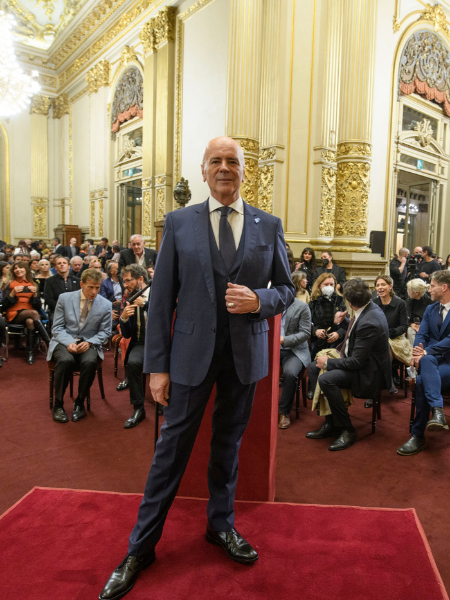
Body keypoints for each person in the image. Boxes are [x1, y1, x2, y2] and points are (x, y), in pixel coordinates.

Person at [100, 137, 294, 600]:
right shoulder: (178, 223)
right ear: (203, 170)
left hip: (243, 358)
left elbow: (286, 289)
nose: (225, 168)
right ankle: (140, 548)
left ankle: (219, 526)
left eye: (233, 161)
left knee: (228, 447)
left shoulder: (268, 225)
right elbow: (162, 299)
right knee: (170, 453)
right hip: (188, 358)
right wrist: (156, 367)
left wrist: (260, 300)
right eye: (216, 161)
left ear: (245, 171)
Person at [305, 279, 391, 451]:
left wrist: (329, 363)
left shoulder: (369, 321)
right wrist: (342, 323)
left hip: (368, 373)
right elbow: (355, 335)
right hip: (360, 361)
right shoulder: (367, 308)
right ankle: (331, 422)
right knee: (313, 368)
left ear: (350, 303)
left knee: (327, 379)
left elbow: (356, 362)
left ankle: (347, 429)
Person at [396, 270, 450, 456]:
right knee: (428, 360)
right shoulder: (430, 309)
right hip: (431, 362)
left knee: (422, 381)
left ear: (444, 287)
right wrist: (417, 351)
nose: (429, 290)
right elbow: (422, 334)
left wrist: (425, 351)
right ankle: (437, 412)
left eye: (432, 286)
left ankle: (418, 435)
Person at [48, 268, 112, 423]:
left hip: (89, 341)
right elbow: (56, 328)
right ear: (82, 284)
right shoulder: (65, 298)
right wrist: (69, 342)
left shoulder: (105, 304)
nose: (94, 292)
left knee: (90, 361)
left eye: (97, 287)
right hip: (64, 340)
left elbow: (105, 332)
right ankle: (58, 404)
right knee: (66, 361)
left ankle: (79, 402)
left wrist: (90, 342)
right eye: (90, 287)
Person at [118, 265, 151, 429]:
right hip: (140, 341)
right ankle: (139, 409)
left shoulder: (157, 294)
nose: (125, 285)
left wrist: (146, 304)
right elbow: (127, 333)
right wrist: (123, 318)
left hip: (161, 343)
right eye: (124, 282)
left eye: (128, 281)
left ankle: (167, 404)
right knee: (133, 363)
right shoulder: (129, 299)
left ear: (140, 279)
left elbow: (167, 317)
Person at [278, 273, 312, 429]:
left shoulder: (301, 307)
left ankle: (283, 412)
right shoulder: (270, 306)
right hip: (272, 350)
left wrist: (284, 340)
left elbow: (305, 333)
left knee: (290, 374)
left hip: (294, 350)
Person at [0, 262, 50, 364]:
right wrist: (12, 293)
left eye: (20, 268)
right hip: (14, 313)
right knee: (34, 314)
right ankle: (50, 343)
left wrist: (35, 294)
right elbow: (4, 305)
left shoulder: (32, 284)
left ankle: (30, 353)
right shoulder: (10, 284)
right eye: (15, 268)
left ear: (26, 270)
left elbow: (38, 306)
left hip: (30, 312)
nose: (18, 270)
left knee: (31, 321)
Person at [372, 275, 411, 391]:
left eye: (383, 284)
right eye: (377, 285)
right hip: (377, 337)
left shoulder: (400, 303)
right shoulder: (373, 303)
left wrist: (390, 333)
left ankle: (386, 381)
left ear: (390, 286)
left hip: (396, 338)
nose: (380, 287)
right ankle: (377, 384)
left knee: (385, 346)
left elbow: (404, 326)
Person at [308, 273, 348, 359]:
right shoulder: (313, 302)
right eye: (326, 284)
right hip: (318, 341)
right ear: (319, 286)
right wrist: (315, 331)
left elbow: (346, 320)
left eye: (331, 284)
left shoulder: (340, 300)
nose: (329, 287)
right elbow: (306, 322)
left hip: (336, 340)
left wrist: (338, 333)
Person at [405, 278, 433, 347]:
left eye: (409, 290)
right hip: (413, 326)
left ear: (417, 293)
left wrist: (423, 326)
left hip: (428, 326)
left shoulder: (430, 301)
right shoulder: (409, 300)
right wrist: (411, 324)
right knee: (410, 331)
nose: (407, 292)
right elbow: (404, 317)